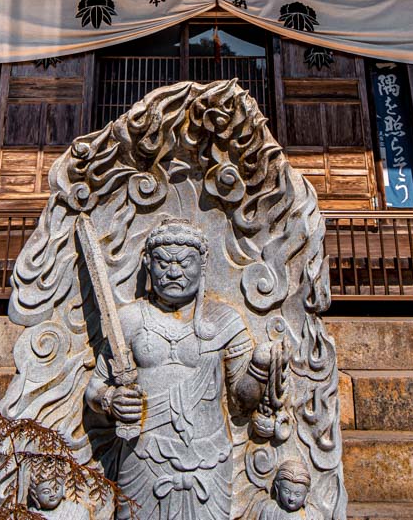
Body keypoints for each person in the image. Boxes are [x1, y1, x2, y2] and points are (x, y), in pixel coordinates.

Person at [85, 220, 279, 520]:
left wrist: (259, 369)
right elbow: (94, 388)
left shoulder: (225, 320)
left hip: (208, 455)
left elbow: (242, 401)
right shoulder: (130, 319)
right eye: (163, 263)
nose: (174, 272)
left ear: (202, 266)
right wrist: (110, 400)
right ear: (148, 265)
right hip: (143, 452)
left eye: (184, 263)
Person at [247, 459, 312, 520]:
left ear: (307, 494)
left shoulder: (311, 515)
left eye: (297, 494)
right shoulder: (270, 509)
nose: (291, 498)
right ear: (277, 488)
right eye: (286, 492)